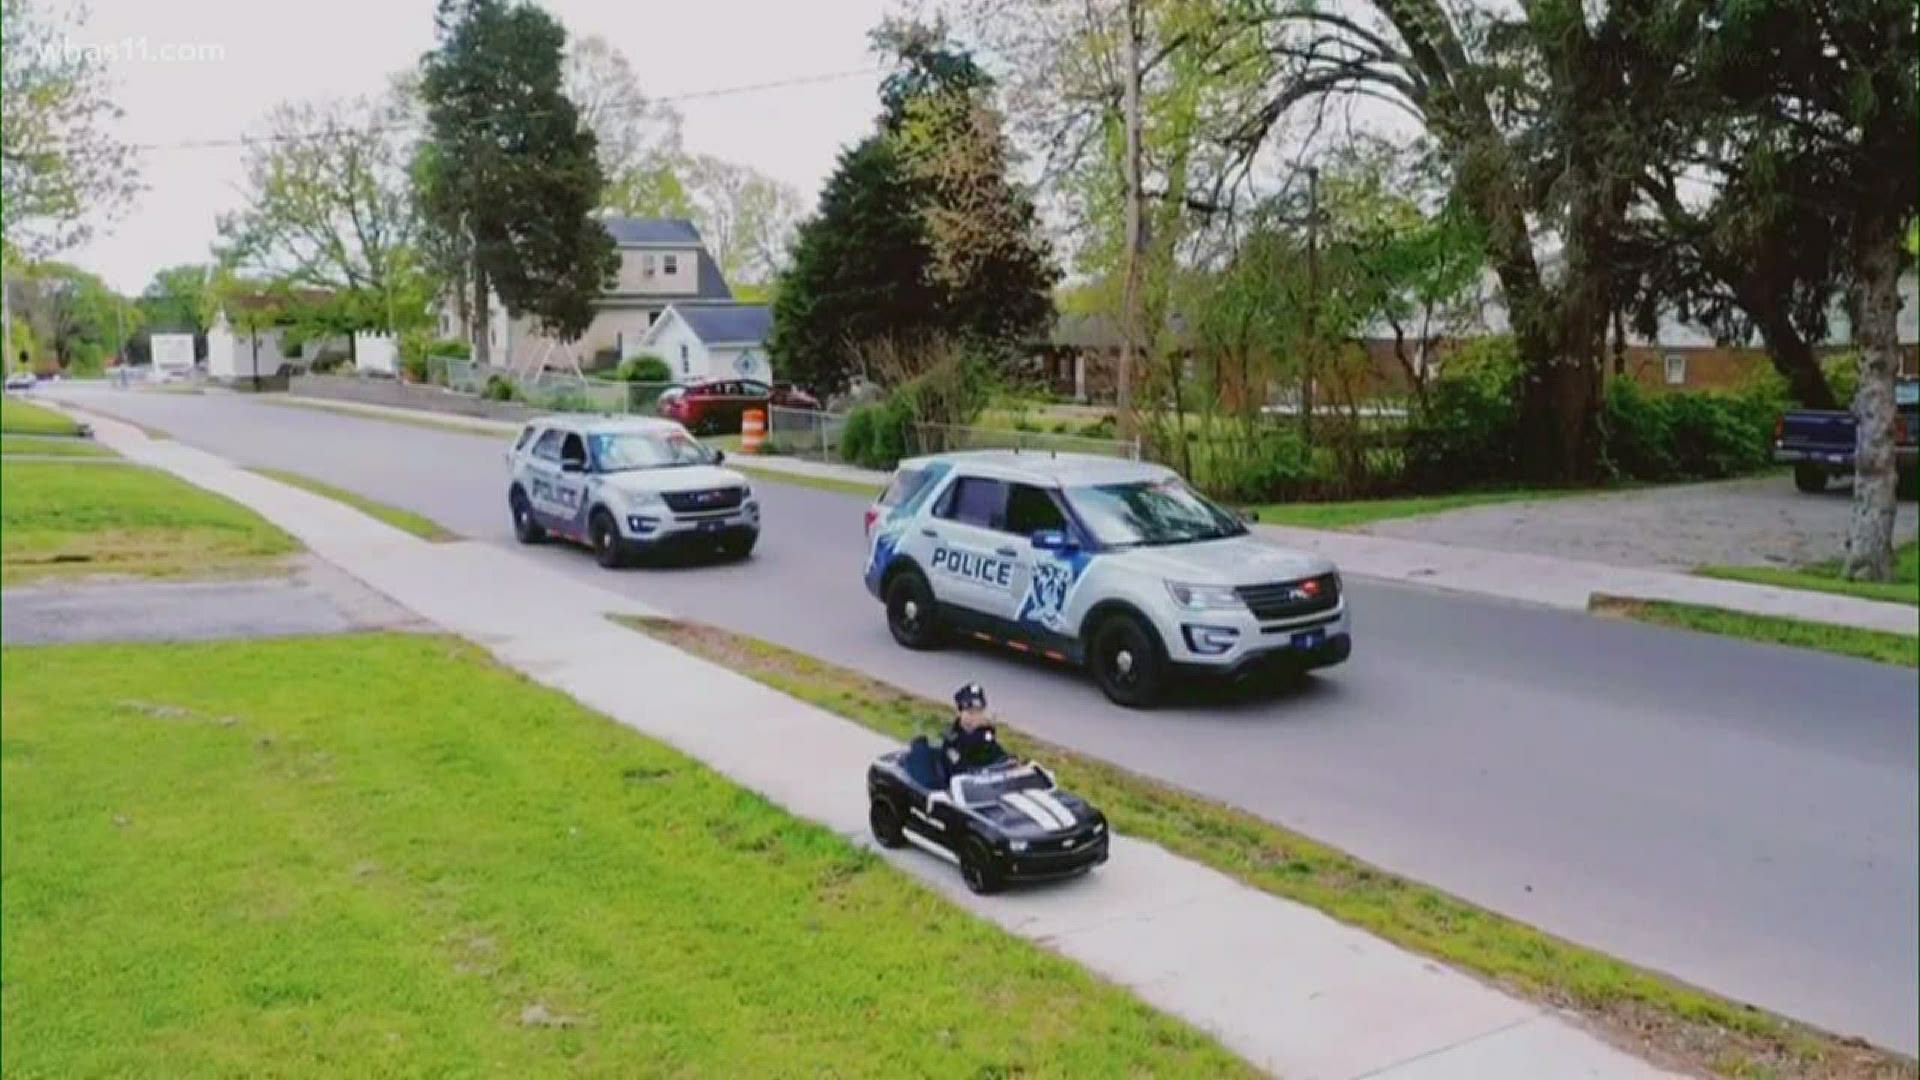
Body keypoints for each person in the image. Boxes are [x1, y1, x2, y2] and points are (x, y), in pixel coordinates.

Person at [940, 683, 1008, 776]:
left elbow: (999, 756)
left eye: (979, 712)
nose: (975, 717)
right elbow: (960, 769)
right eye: (970, 712)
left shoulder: (985, 734)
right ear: (959, 712)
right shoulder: (952, 740)